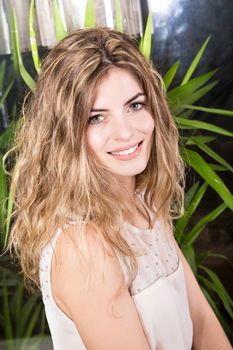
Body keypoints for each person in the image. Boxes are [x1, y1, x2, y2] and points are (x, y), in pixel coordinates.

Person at [9, 27, 231, 350]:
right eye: (96, 118)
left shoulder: (146, 203)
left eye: (135, 105)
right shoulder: (81, 246)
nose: (126, 132)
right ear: (65, 136)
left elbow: (200, 320)